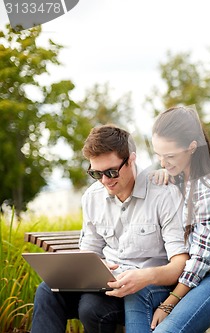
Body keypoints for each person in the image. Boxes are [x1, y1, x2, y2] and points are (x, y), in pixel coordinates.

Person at [31, 125, 189, 333]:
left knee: (92, 308)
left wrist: (146, 276)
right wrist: (96, 266)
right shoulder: (92, 196)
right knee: (47, 290)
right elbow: (89, 252)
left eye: (111, 172)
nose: (105, 181)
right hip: (106, 285)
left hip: (148, 288)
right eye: (96, 173)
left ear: (131, 159)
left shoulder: (163, 195)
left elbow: (180, 263)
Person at [129, 106, 210, 333]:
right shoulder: (179, 175)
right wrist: (167, 171)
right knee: (137, 292)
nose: (162, 162)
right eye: (158, 154)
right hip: (191, 272)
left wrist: (169, 304)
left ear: (192, 148)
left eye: (169, 156)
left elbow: (202, 261)